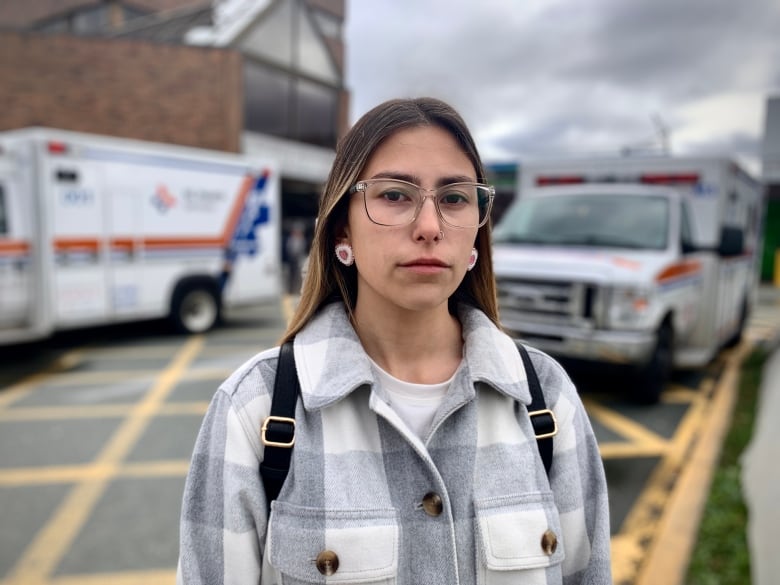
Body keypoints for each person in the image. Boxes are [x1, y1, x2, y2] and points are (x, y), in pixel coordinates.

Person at [177, 97, 612, 584]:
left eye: (454, 198)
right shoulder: (254, 408)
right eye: (394, 195)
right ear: (342, 226)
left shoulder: (546, 397)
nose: (429, 227)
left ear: (477, 232)